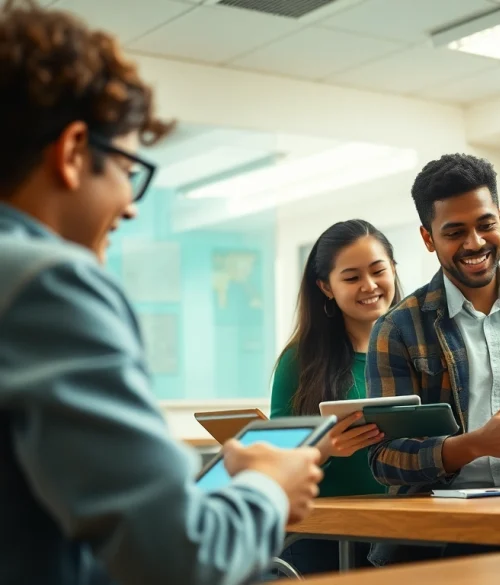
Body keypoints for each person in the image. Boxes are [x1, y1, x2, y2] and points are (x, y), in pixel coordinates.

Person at [0, 3, 324, 585]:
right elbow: (179, 556)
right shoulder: (47, 282)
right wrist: (267, 488)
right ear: (74, 152)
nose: (129, 204)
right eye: (128, 167)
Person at [365, 153, 500, 565]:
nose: (475, 243)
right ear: (428, 238)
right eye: (455, 232)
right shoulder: (398, 328)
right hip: (434, 534)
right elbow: (385, 458)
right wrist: (475, 445)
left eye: (485, 225)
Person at [270, 219, 402, 573]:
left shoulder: (414, 350)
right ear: (325, 287)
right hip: (322, 535)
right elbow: (277, 459)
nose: (369, 286)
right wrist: (325, 447)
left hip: (402, 528)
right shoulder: (300, 360)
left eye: (378, 270)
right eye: (351, 277)